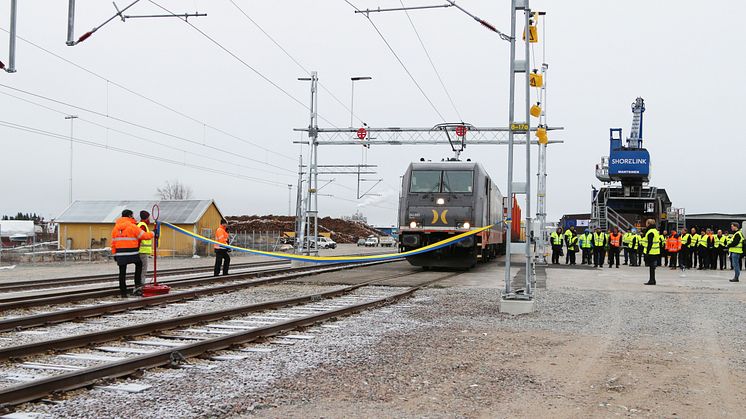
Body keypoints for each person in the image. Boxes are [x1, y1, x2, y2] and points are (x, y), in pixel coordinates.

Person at [111, 209, 154, 298]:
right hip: (132, 252)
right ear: (130, 216)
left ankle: (123, 293)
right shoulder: (132, 226)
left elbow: (113, 243)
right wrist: (153, 233)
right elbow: (144, 236)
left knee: (122, 272)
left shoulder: (116, 228)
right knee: (139, 265)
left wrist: (114, 254)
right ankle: (137, 287)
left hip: (120, 254)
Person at [137, 210, 153, 285]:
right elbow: (142, 237)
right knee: (143, 269)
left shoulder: (141, 225)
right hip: (142, 251)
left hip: (141, 251)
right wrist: (152, 233)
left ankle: (140, 283)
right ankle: (141, 284)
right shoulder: (142, 225)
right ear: (146, 218)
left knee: (141, 268)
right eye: (149, 217)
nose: (150, 219)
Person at [643, 219, 661, 285]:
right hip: (655, 251)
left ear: (648, 224)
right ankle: (652, 280)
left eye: (646, 223)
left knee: (651, 267)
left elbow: (650, 243)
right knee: (652, 267)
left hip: (651, 252)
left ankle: (652, 280)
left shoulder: (650, 232)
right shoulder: (655, 231)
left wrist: (647, 252)